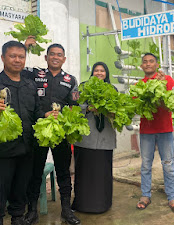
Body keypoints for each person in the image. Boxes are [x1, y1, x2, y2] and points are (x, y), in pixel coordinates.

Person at [0, 41, 43, 225]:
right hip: (1, 154)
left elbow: (37, 115)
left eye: (21, 57)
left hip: (26, 152)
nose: (17, 60)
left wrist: (49, 117)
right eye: (12, 56)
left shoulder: (30, 86)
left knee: (19, 199)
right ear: (3, 58)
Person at [22, 38, 80, 225]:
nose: (55, 57)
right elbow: (17, 67)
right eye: (52, 54)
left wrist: (67, 120)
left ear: (64, 59)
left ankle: (66, 210)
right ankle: (32, 211)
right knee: (34, 171)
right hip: (38, 131)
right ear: (46, 57)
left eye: (59, 55)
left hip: (60, 133)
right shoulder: (35, 74)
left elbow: (75, 106)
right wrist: (25, 47)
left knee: (63, 172)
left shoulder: (70, 80)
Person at [135, 53, 174, 214]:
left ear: (156, 64)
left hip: (165, 128)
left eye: (151, 61)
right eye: (145, 62)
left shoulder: (167, 80)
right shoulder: (139, 85)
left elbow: (173, 100)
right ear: (142, 66)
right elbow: (136, 105)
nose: (148, 64)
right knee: (146, 165)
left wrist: (161, 86)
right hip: (146, 130)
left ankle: (172, 197)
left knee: (168, 164)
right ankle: (145, 195)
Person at [72, 62, 116, 213]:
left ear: (106, 73)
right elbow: (74, 105)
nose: (99, 73)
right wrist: (89, 108)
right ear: (92, 73)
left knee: (103, 172)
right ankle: (82, 204)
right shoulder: (82, 87)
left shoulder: (113, 89)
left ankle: (102, 204)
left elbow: (118, 110)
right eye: (96, 70)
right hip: (86, 136)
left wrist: (109, 110)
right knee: (84, 171)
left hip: (105, 137)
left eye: (102, 70)